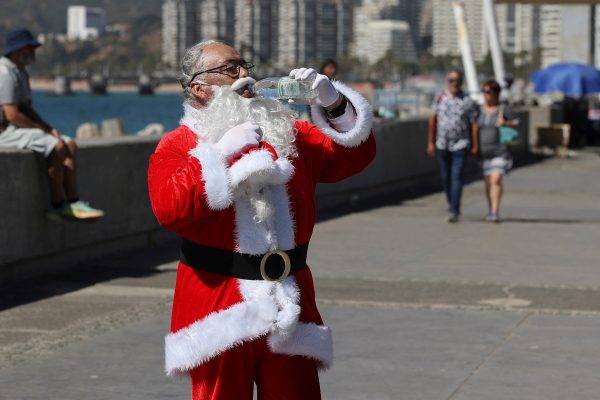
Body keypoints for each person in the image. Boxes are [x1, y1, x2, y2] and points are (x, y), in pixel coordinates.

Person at [147, 40, 375, 400]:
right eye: (230, 68)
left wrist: (333, 103)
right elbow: (169, 208)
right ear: (199, 87)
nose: (244, 75)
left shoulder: (287, 133)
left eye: (245, 65)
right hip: (218, 309)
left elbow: (353, 156)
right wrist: (219, 153)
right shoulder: (177, 145)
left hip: (290, 303)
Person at [0, 28, 104, 221]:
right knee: (57, 146)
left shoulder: (20, 72)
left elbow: (27, 109)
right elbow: (12, 115)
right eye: (29, 48)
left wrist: (48, 128)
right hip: (5, 132)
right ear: (17, 50)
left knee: (69, 144)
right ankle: (58, 205)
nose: (33, 52)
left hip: (16, 129)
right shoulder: (5, 73)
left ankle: (74, 202)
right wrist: (43, 131)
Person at [427, 69, 478, 222]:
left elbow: (474, 124)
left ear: (462, 82)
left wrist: (475, 145)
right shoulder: (440, 98)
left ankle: (455, 210)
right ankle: (451, 203)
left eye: (457, 81)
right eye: (451, 80)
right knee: (445, 178)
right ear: (447, 82)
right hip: (442, 144)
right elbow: (432, 121)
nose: (454, 84)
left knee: (456, 177)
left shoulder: (467, 100)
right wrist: (430, 142)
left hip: (460, 145)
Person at [475, 79, 517, 223]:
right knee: (488, 182)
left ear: (496, 93)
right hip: (484, 151)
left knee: (496, 179)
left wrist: (506, 123)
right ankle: (490, 209)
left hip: (500, 151)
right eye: (484, 91)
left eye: (488, 92)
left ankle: (495, 211)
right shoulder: (479, 110)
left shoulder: (503, 109)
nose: (485, 94)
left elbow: (517, 122)